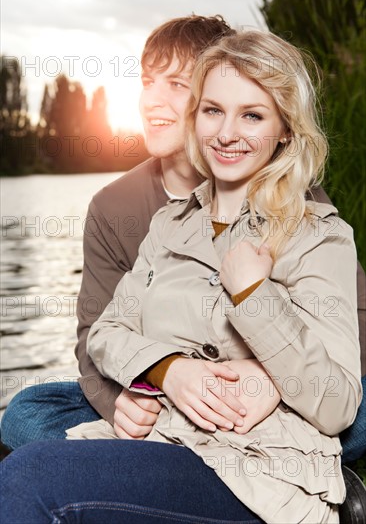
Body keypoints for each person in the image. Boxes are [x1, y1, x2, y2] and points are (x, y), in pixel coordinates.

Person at [1, 29, 362, 524]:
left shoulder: (317, 233)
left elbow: (338, 401)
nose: (227, 133)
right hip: (164, 436)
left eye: (252, 115)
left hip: (252, 466)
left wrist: (255, 300)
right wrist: (168, 370)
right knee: (26, 430)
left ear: (285, 129)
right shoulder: (170, 224)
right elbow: (105, 333)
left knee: (28, 477)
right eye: (213, 110)